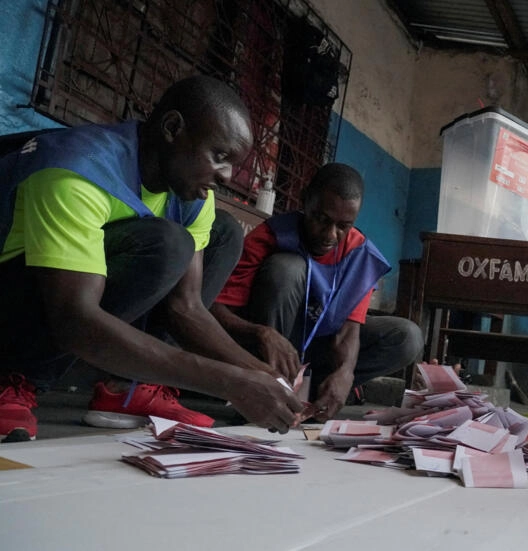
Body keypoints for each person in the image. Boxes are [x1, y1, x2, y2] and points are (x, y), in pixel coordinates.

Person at [0, 75, 304, 441]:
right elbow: (75, 319)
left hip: (65, 300)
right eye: (219, 157)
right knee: (168, 243)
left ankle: (131, 389)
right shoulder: (75, 172)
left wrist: (264, 377)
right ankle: (12, 379)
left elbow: (186, 307)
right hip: (19, 296)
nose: (225, 177)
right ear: (172, 128)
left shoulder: (192, 196)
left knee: (223, 232)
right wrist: (229, 382)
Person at [211, 162, 423, 421]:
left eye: (344, 226)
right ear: (305, 201)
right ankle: (270, 388)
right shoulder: (271, 236)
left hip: (315, 353)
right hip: (264, 349)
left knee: (407, 336)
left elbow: (349, 330)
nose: (330, 235)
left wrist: (345, 373)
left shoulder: (359, 255)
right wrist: (261, 333)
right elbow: (216, 308)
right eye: (322, 219)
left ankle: (320, 393)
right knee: (286, 268)